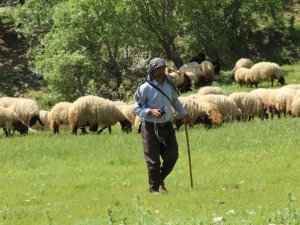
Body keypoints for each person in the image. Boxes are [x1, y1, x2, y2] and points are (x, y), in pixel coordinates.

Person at [134, 57, 192, 194]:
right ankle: (154, 189)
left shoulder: (169, 84)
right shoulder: (145, 87)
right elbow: (136, 108)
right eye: (157, 69)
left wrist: (184, 114)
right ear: (152, 71)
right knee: (153, 161)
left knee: (172, 156)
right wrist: (150, 111)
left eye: (162, 68)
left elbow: (175, 102)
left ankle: (158, 181)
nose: (160, 71)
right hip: (150, 127)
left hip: (167, 126)